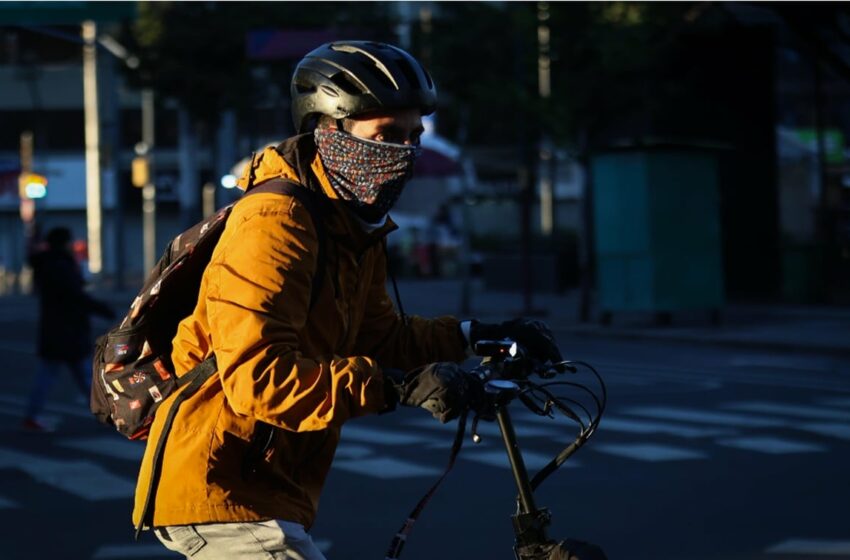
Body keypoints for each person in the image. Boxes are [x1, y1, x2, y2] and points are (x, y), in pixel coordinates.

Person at [136, 41, 562, 560]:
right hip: (222, 488)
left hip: (267, 489)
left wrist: (478, 335)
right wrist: (395, 389)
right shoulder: (275, 221)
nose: (404, 152)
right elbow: (256, 378)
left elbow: (381, 335)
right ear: (327, 133)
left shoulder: (350, 224)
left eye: (413, 137)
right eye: (386, 136)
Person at [22, 226, 115, 431]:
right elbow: (74, 296)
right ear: (65, 243)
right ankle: (107, 413)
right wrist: (104, 310)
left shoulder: (48, 264)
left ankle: (33, 415)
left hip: (56, 329)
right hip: (68, 330)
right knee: (82, 376)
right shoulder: (60, 265)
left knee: (57, 375)